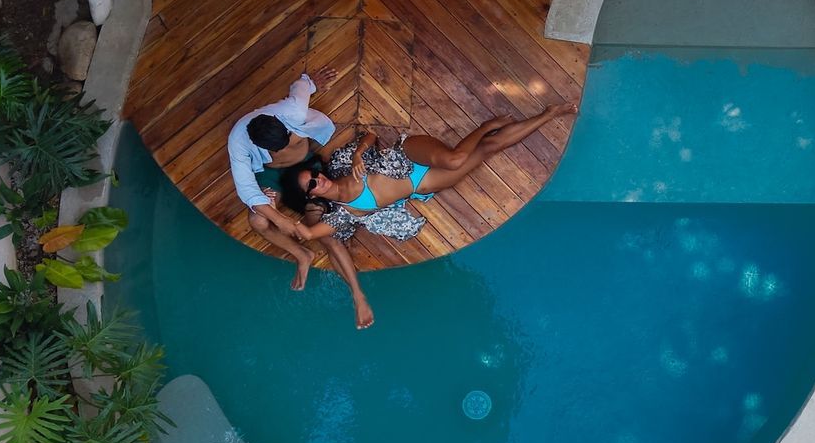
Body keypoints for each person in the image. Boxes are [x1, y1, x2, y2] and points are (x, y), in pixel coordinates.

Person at [278, 109, 567, 244]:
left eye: (314, 174)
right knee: (490, 148)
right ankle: (547, 115)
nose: (319, 179)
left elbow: (371, 135)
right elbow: (306, 233)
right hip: (421, 183)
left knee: (455, 159)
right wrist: (267, 209)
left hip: (408, 154)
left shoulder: (340, 165)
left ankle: (485, 125)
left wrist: (358, 154)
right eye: (312, 183)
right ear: (310, 195)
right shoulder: (343, 214)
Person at [227, 71, 373, 328]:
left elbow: (300, 89)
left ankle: (357, 294)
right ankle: (302, 254)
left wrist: (311, 82)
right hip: (273, 176)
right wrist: (278, 217)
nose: (284, 146)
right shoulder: (238, 143)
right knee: (258, 221)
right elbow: (246, 190)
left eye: (287, 139)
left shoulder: (291, 111)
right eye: (277, 148)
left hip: (306, 168)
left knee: (324, 233)